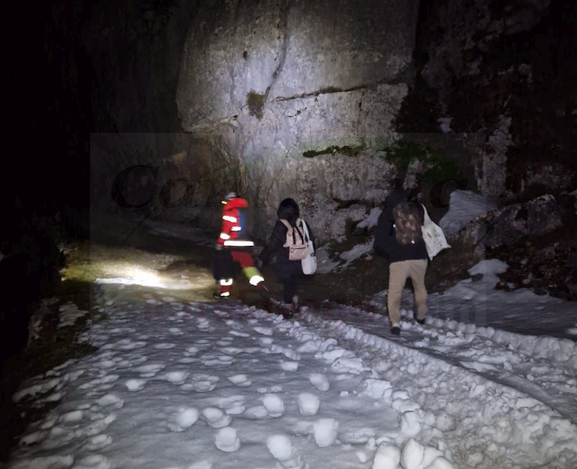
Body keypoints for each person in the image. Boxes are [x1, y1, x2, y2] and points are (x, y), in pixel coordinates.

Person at [373, 178, 429, 335]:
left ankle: (395, 323)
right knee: (420, 286)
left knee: (395, 291)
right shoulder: (416, 211)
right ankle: (421, 315)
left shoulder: (387, 215)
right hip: (419, 255)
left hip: (398, 259)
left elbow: (379, 242)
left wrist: (390, 253)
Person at [258, 198, 313, 317]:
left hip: (285, 260)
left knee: (287, 282)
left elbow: (273, 245)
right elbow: (311, 239)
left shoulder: (281, 224)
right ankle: (295, 299)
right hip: (300, 260)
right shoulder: (302, 223)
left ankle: (288, 309)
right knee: (292, 282)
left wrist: (263, 257)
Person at [213, 192, 265, 299]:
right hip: (246, 245)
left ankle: (225, 294)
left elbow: (226, 230)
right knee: (249, 267)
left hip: (231, 246)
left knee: (226, 269)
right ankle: (261, 287)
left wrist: (219, 243)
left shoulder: (229, 209)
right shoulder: (247, 210)